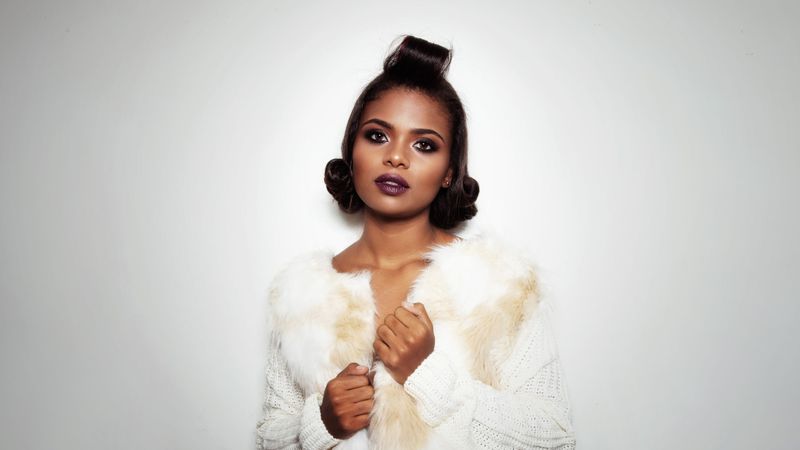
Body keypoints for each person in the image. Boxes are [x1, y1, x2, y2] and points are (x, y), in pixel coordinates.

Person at [256, 36, 576, 450]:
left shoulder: (497, 285)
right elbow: (269, 439)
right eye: (377, 136)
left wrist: (427, 376)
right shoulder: (301, 295)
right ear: (352, 151)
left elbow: (555, 438)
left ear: (448, 171)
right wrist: (322, 423)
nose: (396, 157)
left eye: (424, 144)